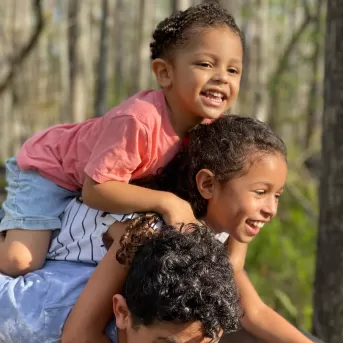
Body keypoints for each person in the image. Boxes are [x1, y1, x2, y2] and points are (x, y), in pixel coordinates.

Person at [0, 115, 310, 342]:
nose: (272, 208)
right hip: (54, 270)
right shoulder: (160, 231)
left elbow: (250, 307)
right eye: (260, 193)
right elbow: (117, 237)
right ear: (207, 184)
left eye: (277, 195)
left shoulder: (217, 231)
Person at [0, 2, 244, 277]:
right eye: (205, 64)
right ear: (165, 73)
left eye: (233, 70)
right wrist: (168, 203)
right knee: (20, 261)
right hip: (51, 169)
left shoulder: (210, 129)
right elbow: (95, 190)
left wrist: (236, 245)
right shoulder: (138, 120)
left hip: (93, 177)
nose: (222, 77)